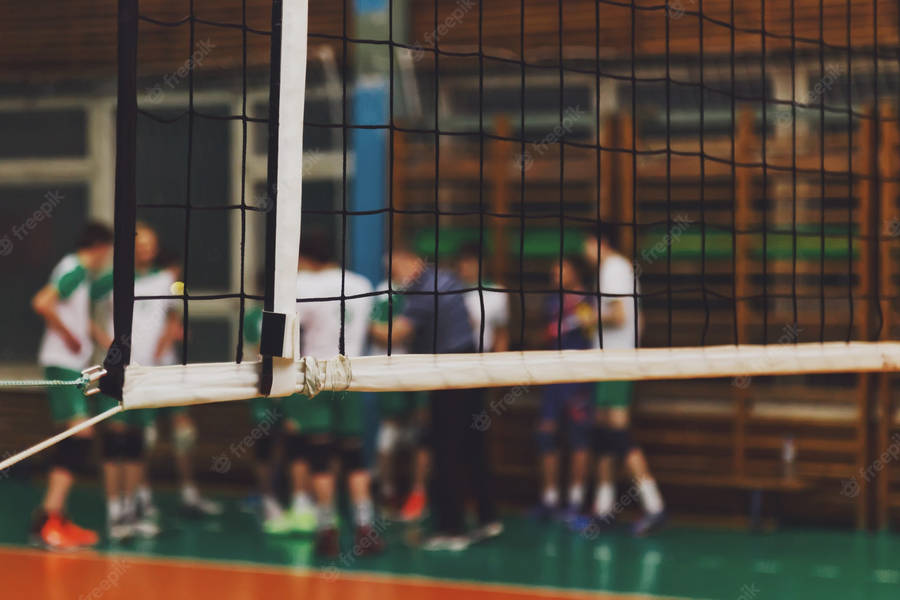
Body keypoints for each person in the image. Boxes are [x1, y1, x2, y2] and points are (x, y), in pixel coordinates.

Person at [370, 244, 498, 552]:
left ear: (409, 260)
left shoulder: (425, 289)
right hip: (468, 368)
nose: (393, 276)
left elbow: (396, 334)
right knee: (471, 447)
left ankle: (451, 530)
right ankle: (487, 519)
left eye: (394, 268)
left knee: (446, 450)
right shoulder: (446, 278)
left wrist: (365, 322)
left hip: (450, 374)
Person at [278, 232, 382, 558]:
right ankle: (365, 528)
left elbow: (287, 335)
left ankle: (328, 530)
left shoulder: (302, 286)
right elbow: (373, 328)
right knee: (354, 457)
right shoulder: (362, 283)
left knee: (319, 460)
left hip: (314, 378)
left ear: (306, 257)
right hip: (350, 376)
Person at [30, 222, 113, 550]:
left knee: (74, 437)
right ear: (99, 247)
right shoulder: (76, 269)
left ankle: (52, 518)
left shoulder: (76, 271)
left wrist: (99, 337)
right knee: (80, 437)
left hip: (70, 365)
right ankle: (48, 518)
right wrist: (68, 335)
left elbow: (75, 311)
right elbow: (42, 302)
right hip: (62, 363)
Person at [583, 225, 665, 536]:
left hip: (615, 362)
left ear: (599, 243)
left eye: (587, 245)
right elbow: (638, 319)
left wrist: (589, 318)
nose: (585, 252)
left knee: (617, 432)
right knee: (604, 433)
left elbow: (620, 316)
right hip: (612, 362)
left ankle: (655, 506)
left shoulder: (612, 268)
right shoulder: (621, 268)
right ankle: (604, 510)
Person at [534, 255, 596, 524]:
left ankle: (575, 502)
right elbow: (541, 336)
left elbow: (594, 329)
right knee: (546, 435)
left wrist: (582, 318)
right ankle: (549, 501)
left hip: (579, 377)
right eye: (553, 267)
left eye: (561, 267)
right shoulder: (552, 301)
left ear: (575, 271)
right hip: (553, 376)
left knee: (579, 439)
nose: (554, 272)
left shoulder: (588, 300)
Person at [371, 264, 430, 522]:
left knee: (422, 430)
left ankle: (419, 494)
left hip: (423, 368)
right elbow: (383, 334)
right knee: (390, 430)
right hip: (390, 371)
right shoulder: (383, 292)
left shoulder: (427, 290)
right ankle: (387, 492)